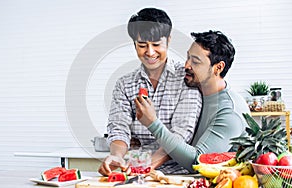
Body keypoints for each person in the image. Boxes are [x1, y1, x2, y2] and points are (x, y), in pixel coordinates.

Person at [98, 8, 202, 176]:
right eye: (142, 45)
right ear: (134, 44)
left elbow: (181, 134)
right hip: (136, 173)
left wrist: (148, 166)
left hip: (178, 175)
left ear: (168, 40)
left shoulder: (187, 78)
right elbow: (119, 127)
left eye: (156, 44)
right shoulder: (124, 84)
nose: (150, 52)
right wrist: (116, 155)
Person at [135, 30, 250, 173]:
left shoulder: (230, 113)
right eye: (188, 57)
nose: (186, 66)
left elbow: (198, 162)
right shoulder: (197, 93)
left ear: (218, 67)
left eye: (195, 61)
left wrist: (153, 123)